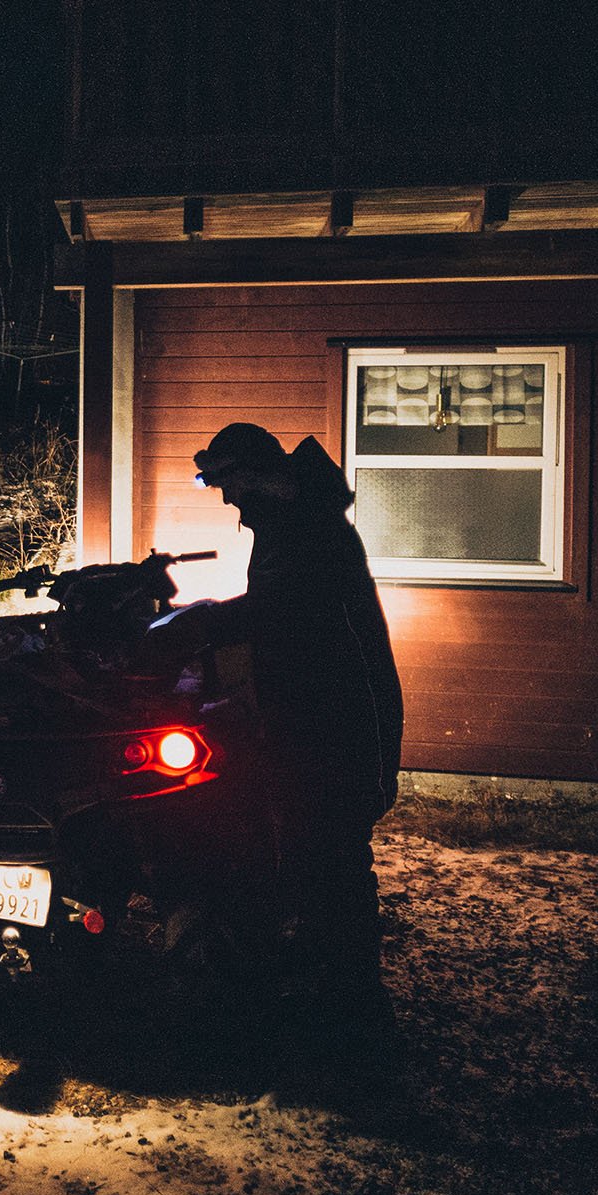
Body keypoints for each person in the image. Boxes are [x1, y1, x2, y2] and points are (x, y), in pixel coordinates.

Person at [193, 421, 404, 1042]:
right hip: (313, 726)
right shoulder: (293, 523)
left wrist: (199, 624)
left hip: (339, 730)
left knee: (335, 864)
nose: (228, 501)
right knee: (316, 864)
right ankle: (331, 993)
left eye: (227, 483)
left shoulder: (310, 533)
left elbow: (280, 617)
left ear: (253, 475)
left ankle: (357, 1018)